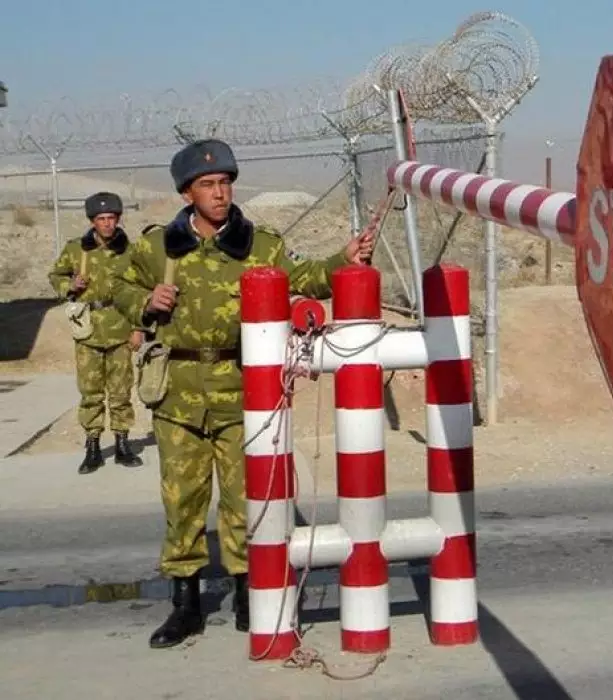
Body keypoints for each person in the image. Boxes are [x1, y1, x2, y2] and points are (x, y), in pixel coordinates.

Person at [112, 138, 374, 649]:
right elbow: (117, 287)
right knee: (182, 500)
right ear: (187, 193)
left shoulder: (261, 246)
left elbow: (306, 277)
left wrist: (342, 260)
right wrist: (145, 300)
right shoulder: (156, 247)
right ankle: (185, 605)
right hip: (178, 394)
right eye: (207, 185)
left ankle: (249, 595)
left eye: (225, 183)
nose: (219, 193)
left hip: (242, 392)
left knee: (244, 501)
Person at [48, 192, 144, 474]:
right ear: (92, 221)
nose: (107, 223)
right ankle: (93, 447)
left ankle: (123, 443)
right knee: (90, 392)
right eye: (101, 218)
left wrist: (138, 328)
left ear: (118, 219)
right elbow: (56, 275)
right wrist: (70, 286)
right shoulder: (76, 249)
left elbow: (141, 290)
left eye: (111, 218)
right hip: (87, 330)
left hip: (120, 327)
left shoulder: (130, 252)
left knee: (121, 391)